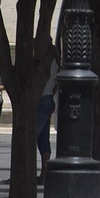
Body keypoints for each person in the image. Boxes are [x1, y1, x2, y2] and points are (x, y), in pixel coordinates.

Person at [38, 48, 59, 178]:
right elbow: (56, 84)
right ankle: (44, 171)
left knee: (33, 134)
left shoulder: (43, 64)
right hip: (48, 97)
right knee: (43, 137)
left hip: (42, 99)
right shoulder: (55, 64)